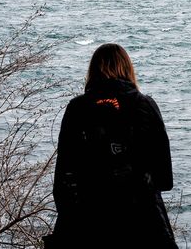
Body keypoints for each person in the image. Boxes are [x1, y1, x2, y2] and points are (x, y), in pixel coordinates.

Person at [44, 43, 178, 248]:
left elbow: (63, 181)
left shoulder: (77, 109)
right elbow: (164, 178)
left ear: (92, 71)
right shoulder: (145, 105)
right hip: (143, 224)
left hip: (87, 223)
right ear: (128, 69)